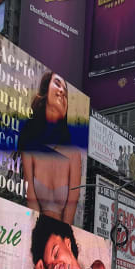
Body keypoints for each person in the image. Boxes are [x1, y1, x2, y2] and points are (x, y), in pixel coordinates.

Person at [18, 72, 82, 225]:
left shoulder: (73, 154)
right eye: (57, 84)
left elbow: (71, 208)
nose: (62, 92)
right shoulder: (30, 148)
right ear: (45, 91)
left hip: (63, 238)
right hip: (35, 232)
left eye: (66, 93)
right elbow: (31, 202)